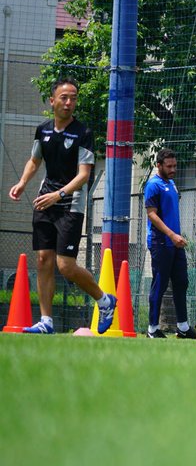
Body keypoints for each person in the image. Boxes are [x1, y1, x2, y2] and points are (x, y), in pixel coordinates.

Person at [7, 77, 117, 334]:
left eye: (73, 98)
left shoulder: (84, 133)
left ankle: (105, 300)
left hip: (70, 204)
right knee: (44, 259)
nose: (69, 103)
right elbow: (35, 160)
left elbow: (84, 175)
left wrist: (58, 194)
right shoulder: (43, 130)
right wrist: (23, 182)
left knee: (65, 266)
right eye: (64, 98)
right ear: (52, 100)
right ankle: (46, 322)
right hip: (45, 202)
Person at [143, 148, 196, 338]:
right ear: (159, 165)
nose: (173, 169)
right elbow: (151, 214)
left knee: (181, 282)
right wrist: (171, 235)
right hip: (161, 243)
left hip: (175, 243)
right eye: (169, 166)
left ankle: (182, 327)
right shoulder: (153, 185)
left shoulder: (172, 183)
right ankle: (152, 328)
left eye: (175, 165)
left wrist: (176, 236)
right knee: (160, 284)